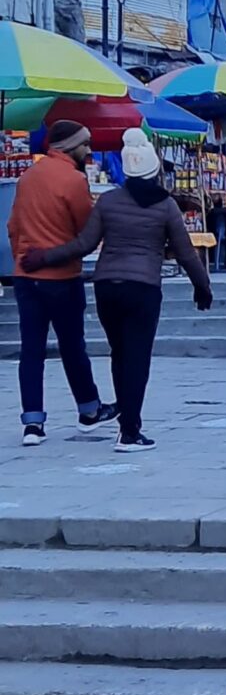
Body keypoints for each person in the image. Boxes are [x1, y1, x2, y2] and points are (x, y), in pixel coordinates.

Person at [20, 128, 213, 449]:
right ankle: (130, 430)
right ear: (153, 171)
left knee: (120, 353)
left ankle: (123, 421)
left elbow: (84, 244)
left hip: (107, 287)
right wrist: (202, 287)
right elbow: (186, 252)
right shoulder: (166, 206)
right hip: (144, 288)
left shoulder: (109, 201)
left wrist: (43, 257)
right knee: (137, 357)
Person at [6, 120, 116, 445]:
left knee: (31, 350)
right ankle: (89, 410)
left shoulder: (27, 177)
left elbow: (13, 226)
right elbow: (86, 230)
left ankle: (32, 424)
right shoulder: (74, 180)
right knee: (72, 346)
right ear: (70, 146)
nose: (89, 150)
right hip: (62, 277)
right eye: (85, 144)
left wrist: (21, 256)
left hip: (26, 276)